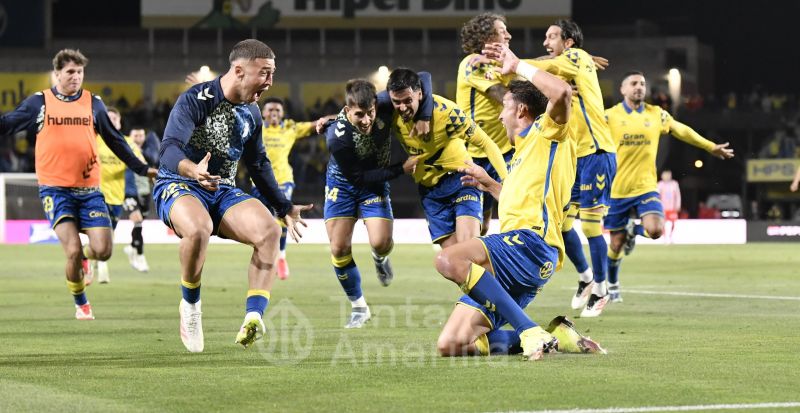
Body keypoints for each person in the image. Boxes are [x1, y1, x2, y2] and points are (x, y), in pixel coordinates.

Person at [435, 42, 603, 360]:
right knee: (453, 344)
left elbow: (563, 94)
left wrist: (518, 66)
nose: (500, 117)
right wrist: (493, 187)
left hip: (529, 244)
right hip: (521, 253)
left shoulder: (546, 131)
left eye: (505, 108)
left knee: (448, 260)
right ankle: (553, 336)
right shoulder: (524, 153)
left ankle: (528, 330)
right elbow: (527, 200)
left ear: (522, 111)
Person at [155, 39, 311, 352]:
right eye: (264, 73)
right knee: (199, 228)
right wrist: (192, 169)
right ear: (239, 71)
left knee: (268, 231)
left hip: (222, 189)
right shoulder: (197, 99)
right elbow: (168, 148)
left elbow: (258, 164)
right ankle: (190, 308)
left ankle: (254, 316)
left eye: (272, 73)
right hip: (179, 183)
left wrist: (283, 206)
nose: (269, 82)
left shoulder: (252, 113)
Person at [0, 49, 154, 320]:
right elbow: (9, 123)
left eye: (80, 72)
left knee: (104, 251)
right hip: (55, 190)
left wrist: (142, 168)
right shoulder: (40, 103)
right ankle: (81, 302)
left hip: (90, 191)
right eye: (70, 72)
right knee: (70, 251)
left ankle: (85, 255)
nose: (76, 77)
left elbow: (116, 140)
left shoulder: (93, 103)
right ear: (56, 73)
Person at [605, 71, 733, 303]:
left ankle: (635, 230)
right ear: (622, 89)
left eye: (643, 84)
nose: (639, 87)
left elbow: (681, 130)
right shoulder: (609, 116)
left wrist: (709, 146)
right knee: (616, 243)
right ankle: (612, 283)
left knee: (656, 231)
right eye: (633, 83)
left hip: (646, 187)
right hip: (616, 190)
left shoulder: (656, 114)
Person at [323, 78, 429, 328]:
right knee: (338, 249)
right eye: (359, 115)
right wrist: (400, 168)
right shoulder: (337, 137)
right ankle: (359, 307)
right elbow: (358, 177)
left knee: (381, 243)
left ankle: (380, 259)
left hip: (375, 184)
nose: (367, 120)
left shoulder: (384, 103)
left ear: (375, 105)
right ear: (348, 111)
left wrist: (424, 114)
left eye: (370, 113)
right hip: (344, 185)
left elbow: (423, 78)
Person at [530, 20, 617, 317]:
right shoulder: (568, 65)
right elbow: (548, 66)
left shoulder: (576, 58)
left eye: (551, 36)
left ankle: (603, 290)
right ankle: (586, 277)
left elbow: (552, 65)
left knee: (591, 226)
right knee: (564, 224)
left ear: (569, 43)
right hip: (575, 158)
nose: (545, 41)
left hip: (596, 152)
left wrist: (509, 61)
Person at [387, 68, 507, 247]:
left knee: (468, 249)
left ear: (420, 94)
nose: (402, 107)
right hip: (430, 191)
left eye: (407, 101)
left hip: (461, 180)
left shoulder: (447, 112)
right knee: (454, 263)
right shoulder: (389, 114)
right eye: (397, 102)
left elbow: (486, 143)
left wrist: (507, 182)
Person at [456, 13, 516, 235]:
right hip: (474, 154)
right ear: (486, 37)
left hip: (505, 152)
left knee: (514, 207)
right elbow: (506, 97)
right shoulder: (472, 64)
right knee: (482, 226)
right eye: (502, 31)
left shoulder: (505, 64)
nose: (508, 35)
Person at [250, 98, 320, 280]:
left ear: (283, 113)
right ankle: (267, 257)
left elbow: (315, 125)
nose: (274, 112)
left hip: (283, 181)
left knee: (282, 217)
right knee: (264, 223)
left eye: (278, 110)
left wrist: (345, 114)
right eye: (270, 109)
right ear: (263, 113)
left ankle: (281, 258)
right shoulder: (254, 127)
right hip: (258, 182)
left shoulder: (290, 128)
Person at [89, 106, 132, 284]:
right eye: (109, 118)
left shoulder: (127, 143)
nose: (112, 121)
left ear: (120, 123)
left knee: (109, 235)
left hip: (117, 197)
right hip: (96, 195)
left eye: (115, 119)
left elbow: (139, 163)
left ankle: (99, 260)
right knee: (99, 232)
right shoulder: (95, 140)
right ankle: (93, 266)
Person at [123, 126, 153, 272]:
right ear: (130, 136)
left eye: (141, 135)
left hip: (145, 192)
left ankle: (132, 246)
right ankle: (140, 257)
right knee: (137, 220)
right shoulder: (123, 150)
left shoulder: (149, 152)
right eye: (136, 136)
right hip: (129, 192)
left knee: (139, 224)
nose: (139, 139)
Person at [657, 169, 681, 245]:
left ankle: (671, 236)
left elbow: (678, 195)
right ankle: (664, 237)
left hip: (672, 207)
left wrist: (678, 204)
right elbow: (657, 196)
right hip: (663, 207)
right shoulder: (660, 184)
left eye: (668, 175)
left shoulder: (674, 184)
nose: (667, 177)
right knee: (663, 223)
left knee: (673, 223)